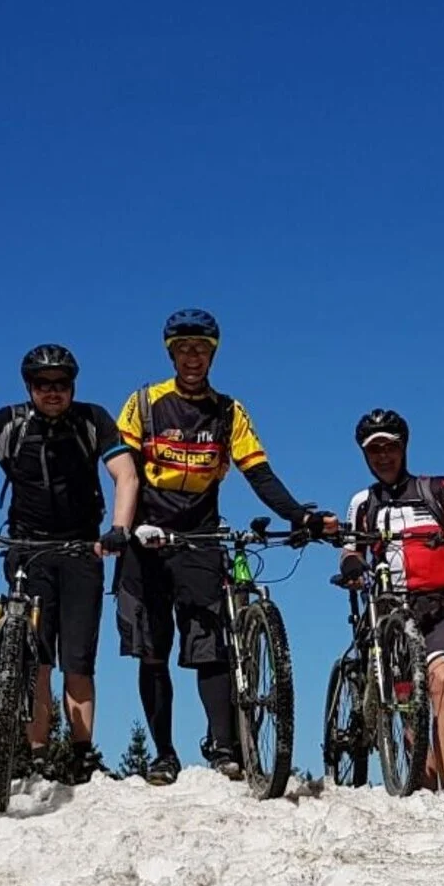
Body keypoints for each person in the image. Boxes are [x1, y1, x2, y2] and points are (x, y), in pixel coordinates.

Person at [117, 309, 335, 786]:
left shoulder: (229, 411)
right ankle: (163, 754)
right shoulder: (143, 404)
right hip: (146, 537)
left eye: (201, 349)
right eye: (183, 348)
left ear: (212, 354)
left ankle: (222, 747)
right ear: (170, 353)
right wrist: (127, 526)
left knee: (210, 647)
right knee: (152, 650)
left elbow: (258, 472)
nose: (192, 357)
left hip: (200, 536)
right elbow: (125, 472)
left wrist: (298, 515)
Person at [0, 344, 138, 781]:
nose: (53, 392)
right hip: (28, 549)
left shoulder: (91, 420)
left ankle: (81, 755)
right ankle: (38, 757)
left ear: (73, 386)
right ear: (30, 387)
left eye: (62, 384)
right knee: (34, 660)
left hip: (82, 549)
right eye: (44, 384)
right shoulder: (10, 423)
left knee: (78, 661)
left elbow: (126, 472)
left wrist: (119, 527)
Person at [342, 409, 444, 793]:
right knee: (408, 702)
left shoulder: (436, 486)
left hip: (439, 604)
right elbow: (350, 548)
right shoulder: (362, 502)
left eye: (390, 448)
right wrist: (352, 566)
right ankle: (424, 781)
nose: (383, 456)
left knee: (443, 683)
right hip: (391, 611)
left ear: (404, 448)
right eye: (374, 450)